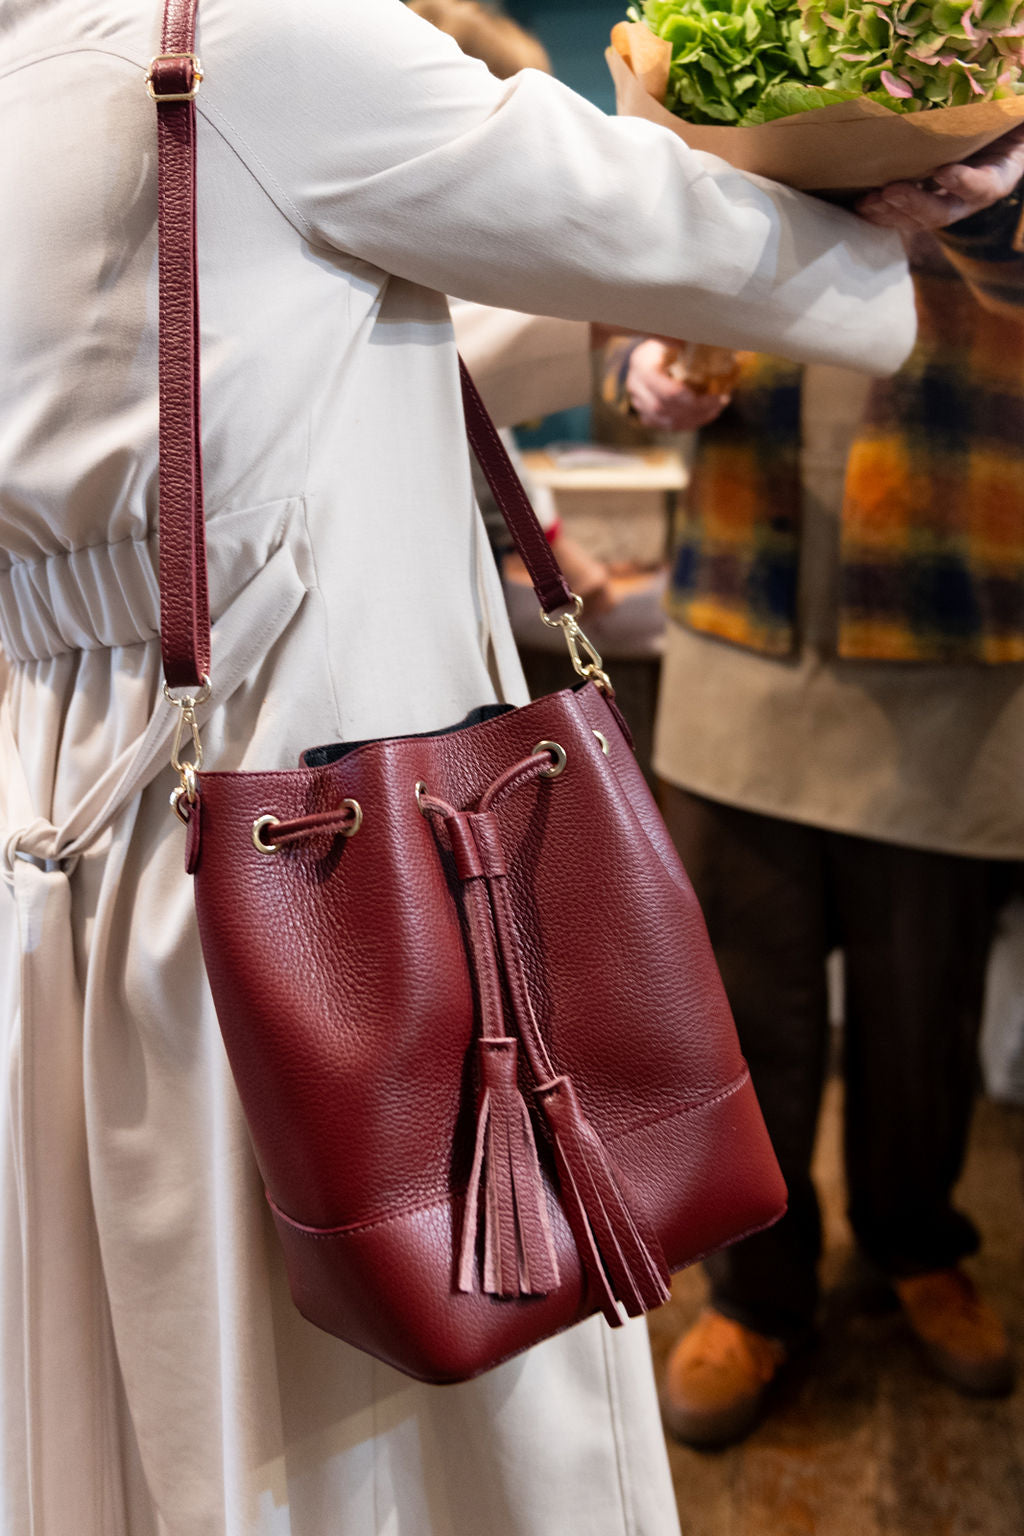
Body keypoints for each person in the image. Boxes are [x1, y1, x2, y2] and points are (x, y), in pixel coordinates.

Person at [0, 1, 920, 1531]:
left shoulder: (42, 70)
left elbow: (307, 333)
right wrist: (914, 178)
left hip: (95, 833)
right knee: (400, 1392)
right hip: (341, 844)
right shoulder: (263, 41)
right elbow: (672, 225)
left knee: (171, 1371)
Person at [603, 136, 1024, 1448]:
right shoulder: (744, 99)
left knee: (923, 1007)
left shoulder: (993, 86)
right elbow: (625, 305)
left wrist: (996, 203)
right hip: (743, 626)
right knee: (744, 1013)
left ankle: (917, 1244)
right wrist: (643, 373)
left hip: (954, 638)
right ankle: (759, 1293)